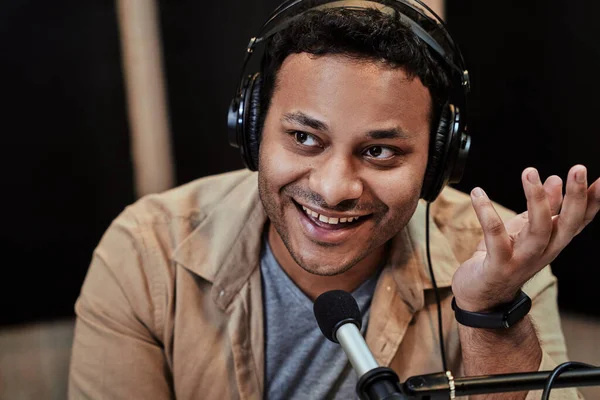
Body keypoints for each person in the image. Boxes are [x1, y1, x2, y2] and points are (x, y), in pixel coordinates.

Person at [69, 1, 599, 399]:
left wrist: (490, 313)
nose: (333, 188)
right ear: (251, 132)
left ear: (438, 164)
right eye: (304, 138)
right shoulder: (144, 253)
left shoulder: (498, 257)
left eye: (380, 150)